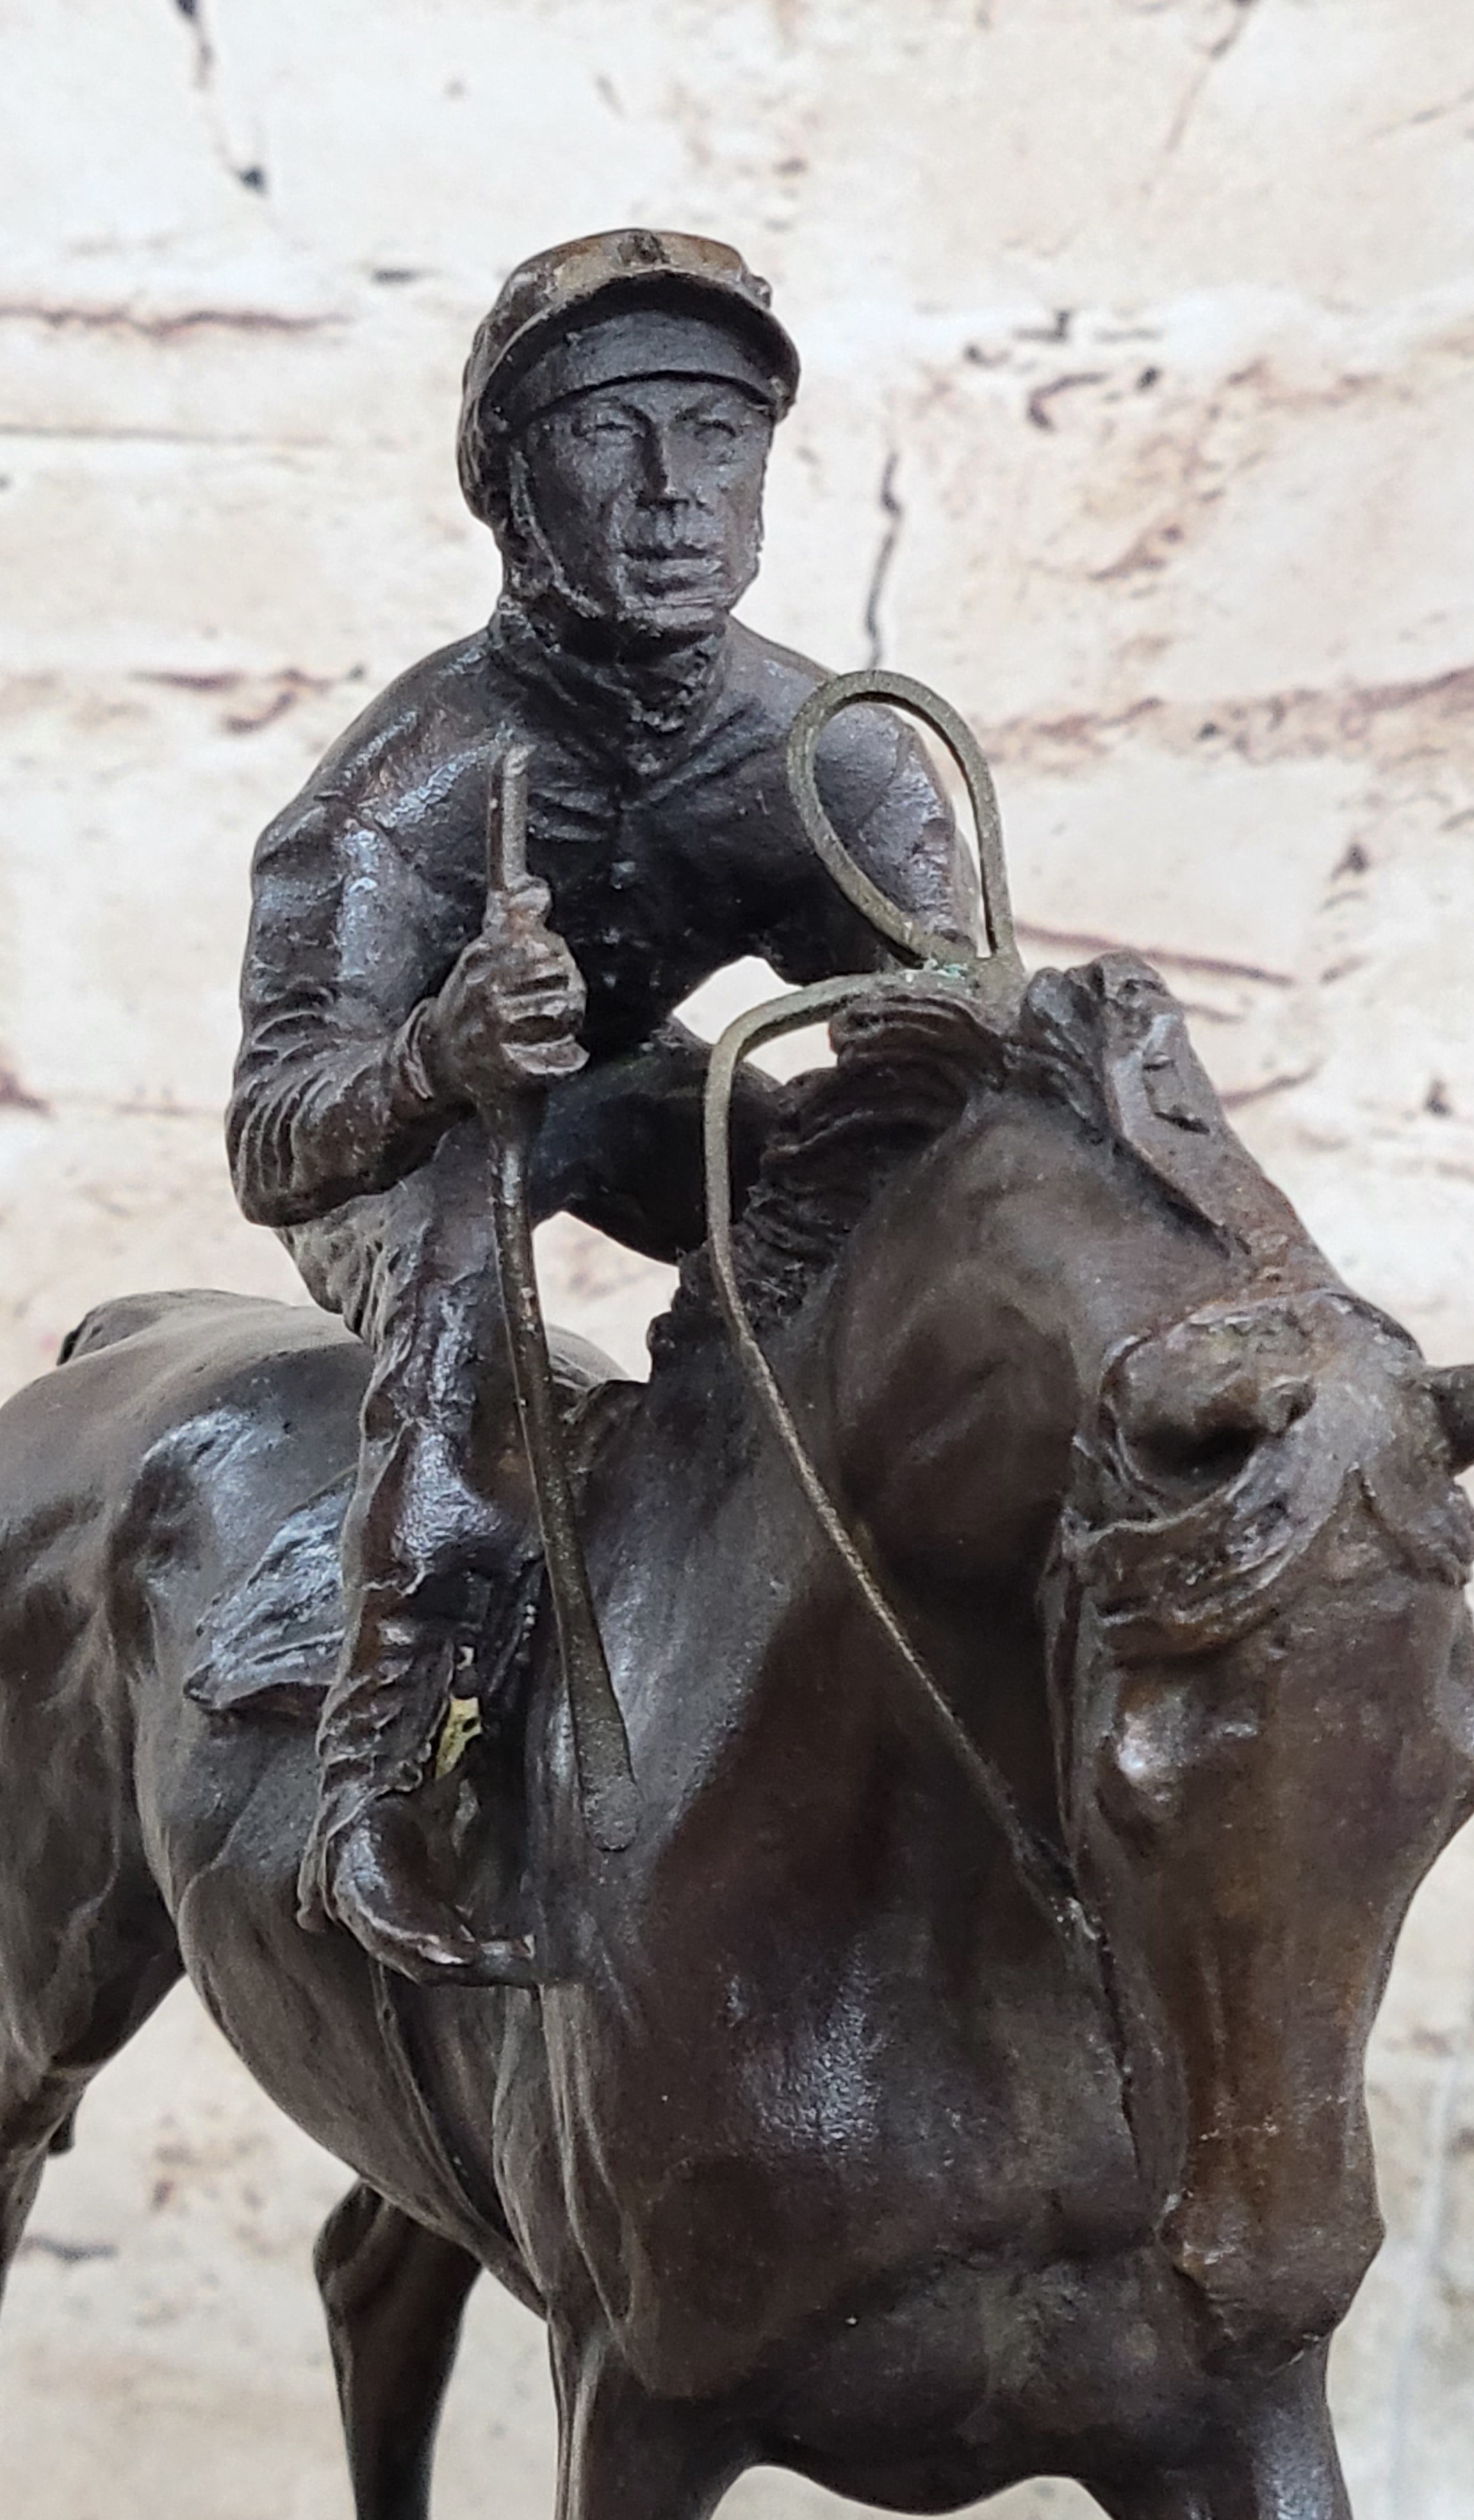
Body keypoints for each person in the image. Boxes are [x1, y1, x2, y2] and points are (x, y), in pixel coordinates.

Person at [227, 227, 976, 1984]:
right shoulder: (402, 792)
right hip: (417, 1143)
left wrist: (953, 1080)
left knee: (920, 1218)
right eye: (606, 431)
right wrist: (433, 1058)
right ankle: (376, 1781)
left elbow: (951, 1046)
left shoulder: (834, 751)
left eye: (717, 432)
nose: (669, 491)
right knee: (463, 1297)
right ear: (506, 485)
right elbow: (270, 1133)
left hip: (632, 1095)